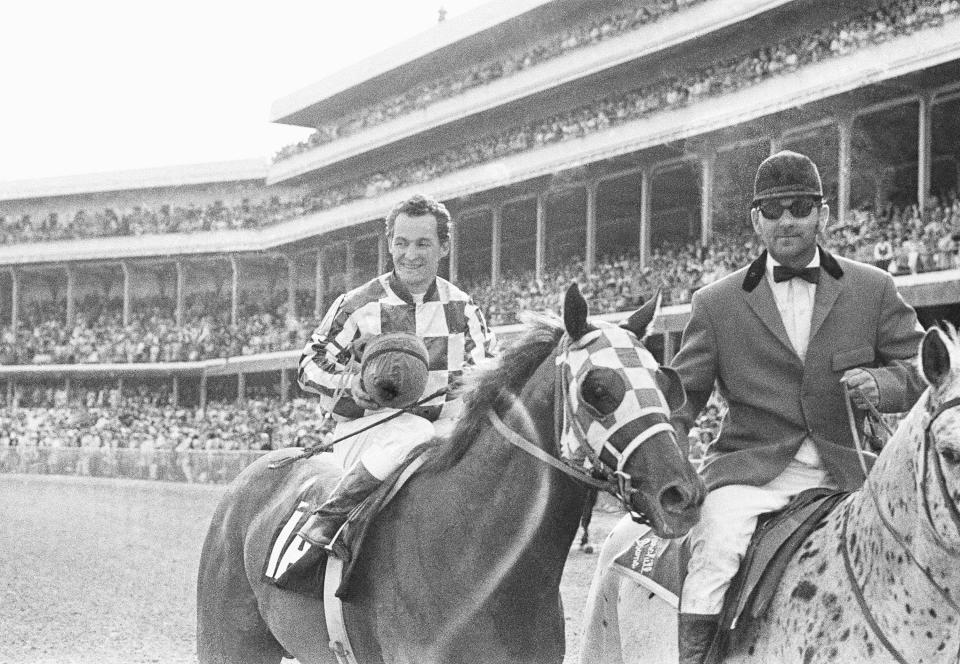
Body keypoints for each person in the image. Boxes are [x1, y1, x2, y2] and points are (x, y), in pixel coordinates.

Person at [668, 150, 926, 664]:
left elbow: (924, 371)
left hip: (854, 471)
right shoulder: (713, 304)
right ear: (755, 220)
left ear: (822, 214)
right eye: (772, 210)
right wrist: (671, 466)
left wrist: (884, 384)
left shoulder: (873, 288)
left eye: (800, 207)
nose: (786, 220)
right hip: (751, 475)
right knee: (715, 552)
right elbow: (682, 400)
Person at [297, 193, 496, 556]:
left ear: (444, 246)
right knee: (414, 430)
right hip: (366, 431)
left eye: (423, 243)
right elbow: (310, 364)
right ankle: (330, 516)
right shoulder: (357, 304)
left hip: (441, 432)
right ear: (389, 244)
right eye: (401, 243)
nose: (411, 254)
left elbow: (488, 374)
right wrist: (351, 383)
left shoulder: (463, 309)